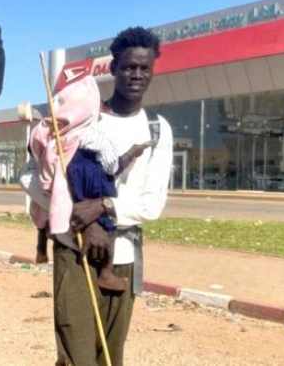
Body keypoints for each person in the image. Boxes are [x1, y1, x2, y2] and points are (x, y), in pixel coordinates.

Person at [22, 27, 173, 366]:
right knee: (76, 357)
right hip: (74, 252)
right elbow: (30, 176)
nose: (136, 74)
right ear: (113, 68)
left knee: (109, 356)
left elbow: (152, 204)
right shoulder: (80, 117)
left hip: (123, 256)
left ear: (152, 70)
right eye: (128, 67)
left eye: (143, 68)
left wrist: (103, 206)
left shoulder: (157, 130)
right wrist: (77, 217)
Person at [27, 75, 152, 292]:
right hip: (94, 186)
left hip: (72, 190)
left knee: (45, 218)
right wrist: (133, 152)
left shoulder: (56, 138)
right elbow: (113, 166)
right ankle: (106, 273)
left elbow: (42, 169)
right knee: (109, 227)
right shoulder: (93, 135)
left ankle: (41, 247)